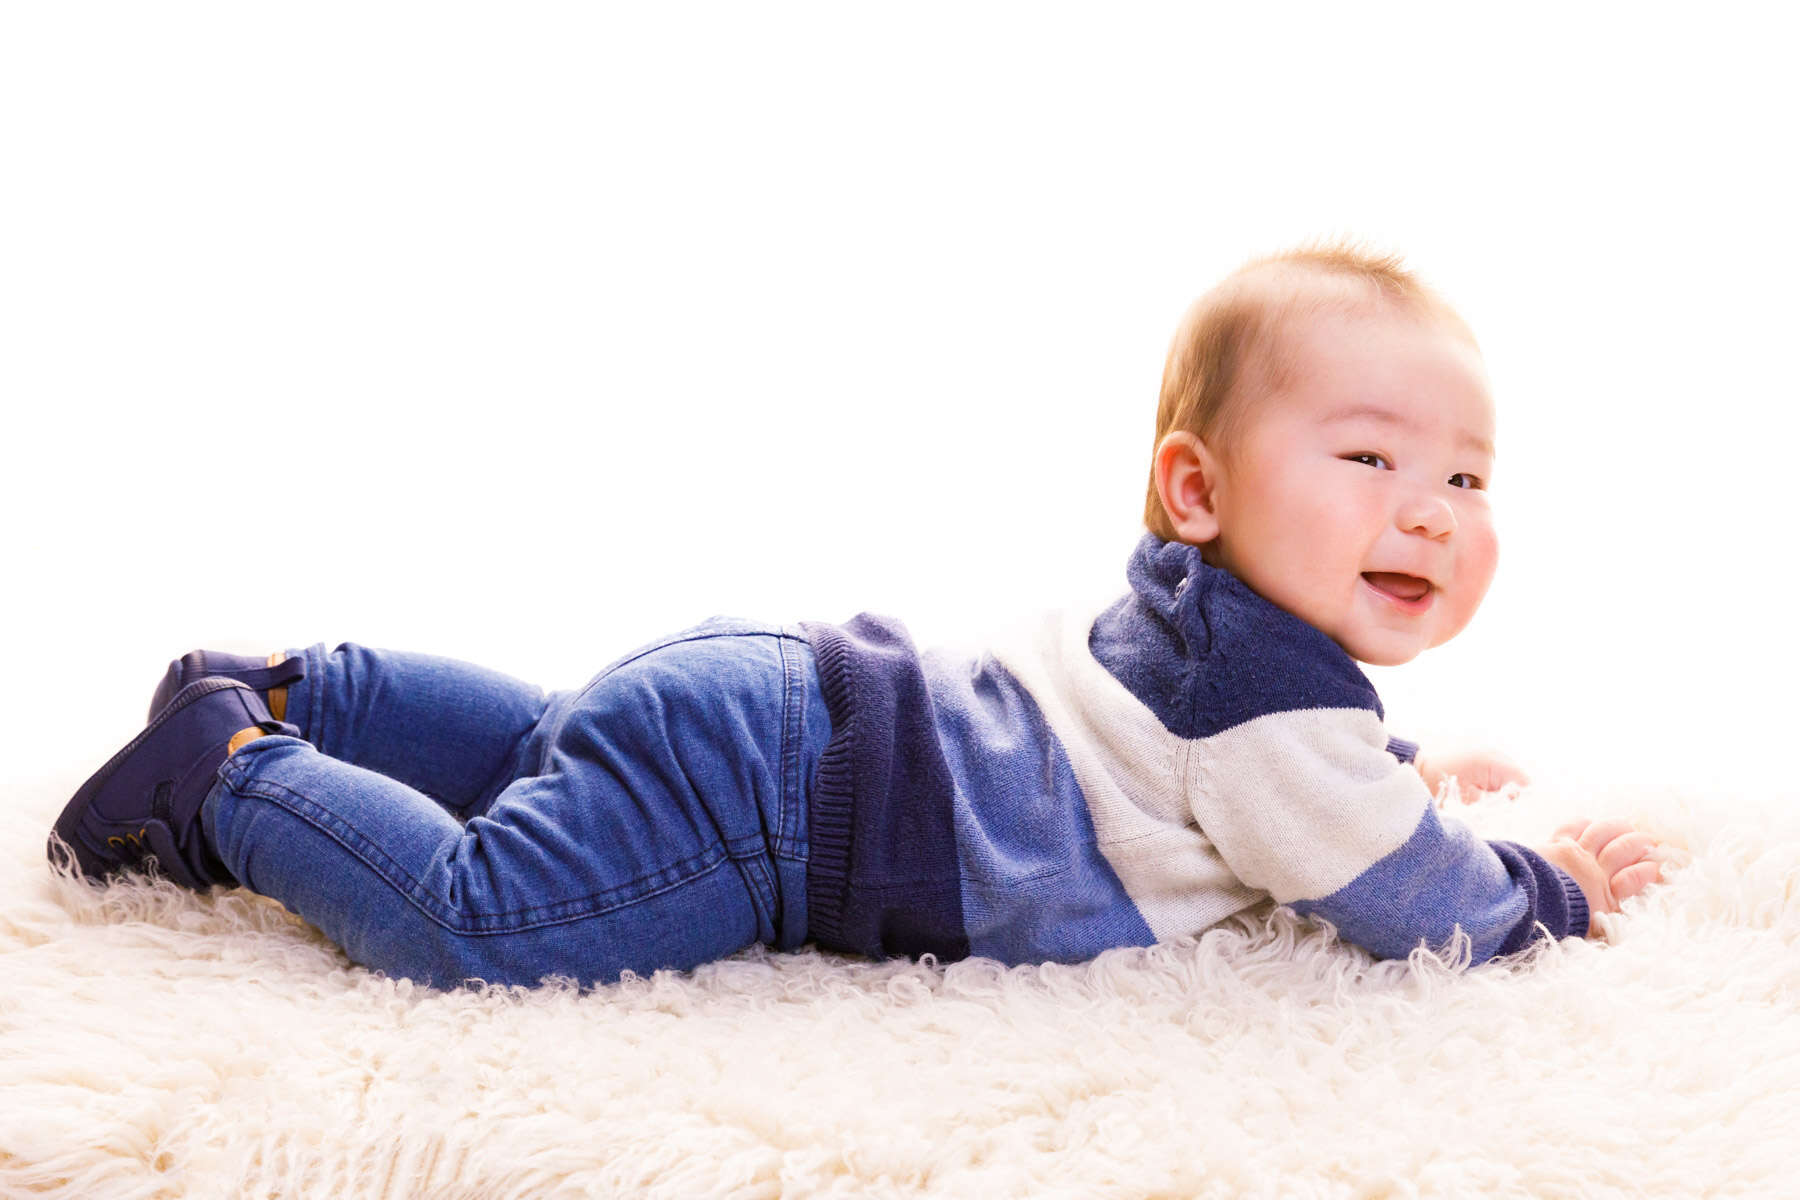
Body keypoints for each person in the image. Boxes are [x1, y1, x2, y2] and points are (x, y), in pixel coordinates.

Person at [48, 243, 1664, 990]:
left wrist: (1415, 769)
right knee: (486, 920)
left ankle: (309, 688)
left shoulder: (1216, 638)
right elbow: (1399, 890)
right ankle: (232, 771)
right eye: (1371, 458)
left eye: (1468, 477)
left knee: (557, 739)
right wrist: (1552, 890)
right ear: (1195, 488)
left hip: (781, 702)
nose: (1430, 512)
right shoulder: (1274, 709)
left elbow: (1295, 794)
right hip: (793, 813)